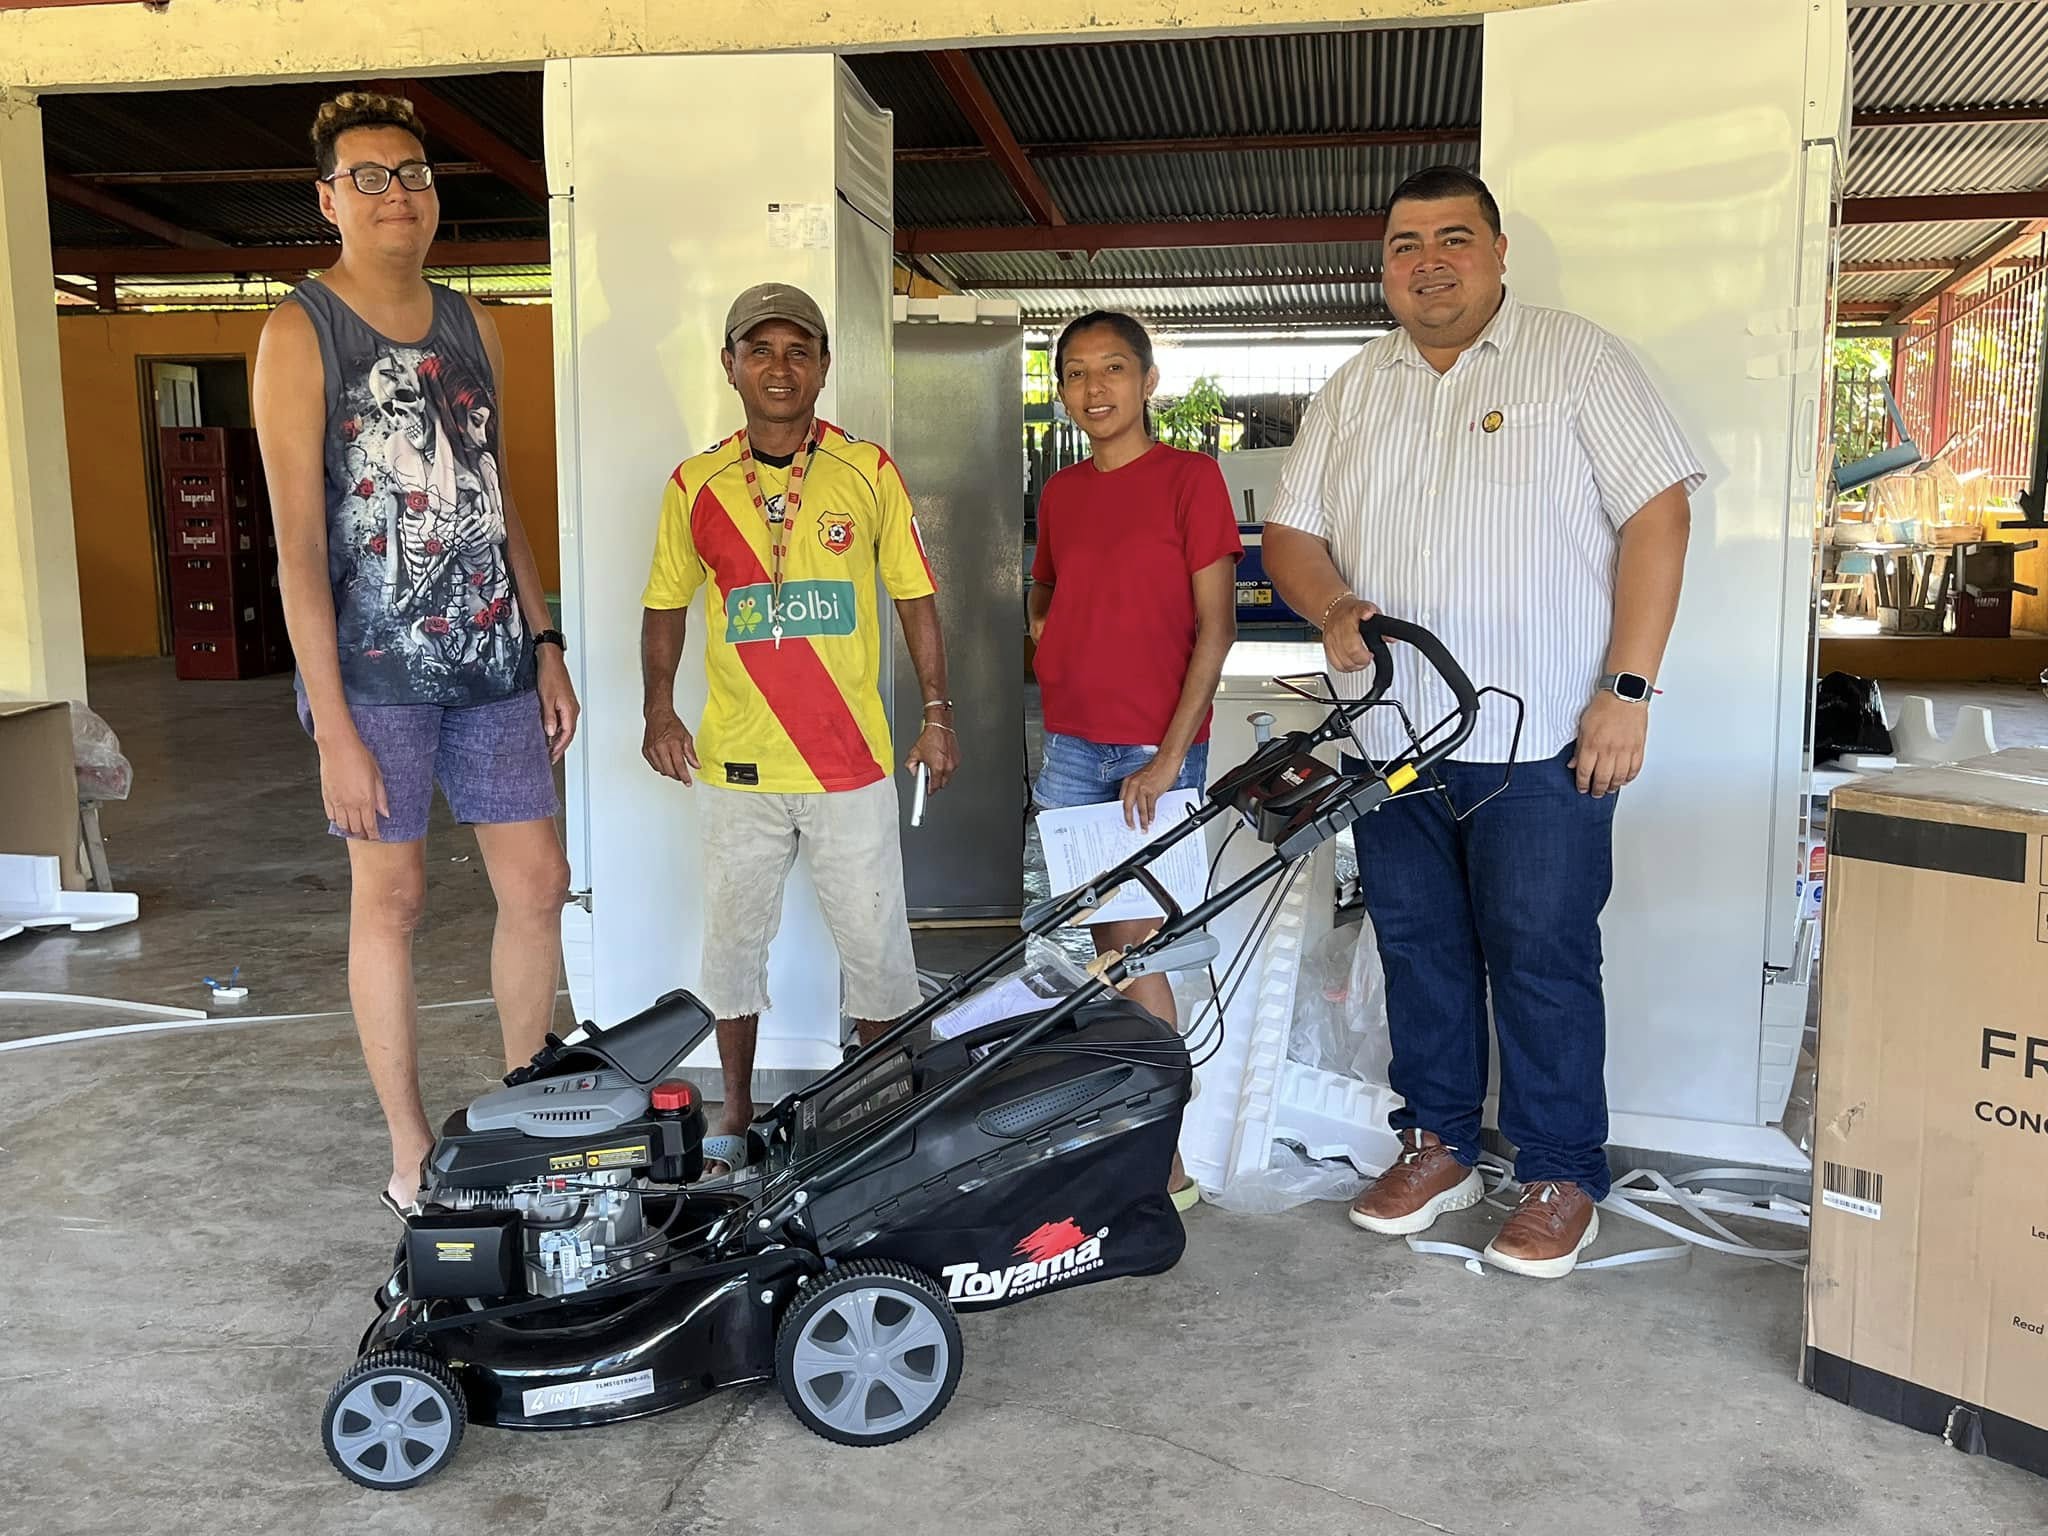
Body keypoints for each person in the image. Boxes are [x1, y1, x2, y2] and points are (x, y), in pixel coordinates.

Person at [1263, 165, 1700, 1279]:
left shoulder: (1575, 359)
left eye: (1451, 237)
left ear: (1496, 252)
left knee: (1542, 957)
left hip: (1547, 738)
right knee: (1417, 951)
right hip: (1392, 739)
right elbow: (1291, 535)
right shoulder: (1354, 386)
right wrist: (1330, 603)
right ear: (1383, 269)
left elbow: (1657, 513)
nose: (1426, 261)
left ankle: (1558, 1172)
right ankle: (1440, 1144)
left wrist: (1628, 688)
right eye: (1403, 243)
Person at [254, 91, 578, 1216]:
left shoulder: (474, 324)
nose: (399, 193)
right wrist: (333, 725)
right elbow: (297, 550)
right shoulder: (301, 331)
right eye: (372, 176)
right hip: (376, 680)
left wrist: (544, 642)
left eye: (415, 172)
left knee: (538, 884)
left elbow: (500, 502)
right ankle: (409, 1151)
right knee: (389, 901)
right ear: (330, 200)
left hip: (491, 663)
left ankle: (527, 1108)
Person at [640, 283, 959, 1178]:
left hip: (850, 763)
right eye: (761, 350)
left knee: (878, 952)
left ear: (823, 365)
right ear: (731, 365)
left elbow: (915, 597)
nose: (780, 368)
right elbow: (665, 604)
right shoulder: (695, 483)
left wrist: (937, 713)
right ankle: (735, 1115)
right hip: (737, 766)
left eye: (799, 350)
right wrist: (658, 707)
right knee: (732, 950)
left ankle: (886, 1110)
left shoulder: (867, 470)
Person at [1027, 311, 1241, 1213]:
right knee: (1101, 950)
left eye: (1113, 369)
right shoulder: (1064, 493)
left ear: (1149, 381)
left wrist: (1167, 758)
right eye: (1076, 373)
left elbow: (1218, 628)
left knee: (1137, 948)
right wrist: (1053, 640)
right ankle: (1132, 1140)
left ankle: (1167, 1159)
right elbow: (1045, 588)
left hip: (1153, 755)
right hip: (1071, 746)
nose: (1094, 389)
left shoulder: (1191, 479)